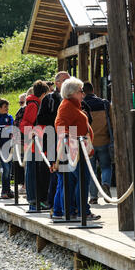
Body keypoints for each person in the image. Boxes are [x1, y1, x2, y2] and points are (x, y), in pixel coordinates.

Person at [54, 77, 100, 220]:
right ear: (72, 92)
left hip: (76, 147)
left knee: (74, 181)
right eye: (80, 91)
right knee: (82, 180)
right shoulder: (67, 105)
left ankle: (74, 210)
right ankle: (83, 211)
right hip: (74, 148)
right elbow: (60, 124)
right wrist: (69, 137)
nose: (83, 94)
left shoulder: (72, 105)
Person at [37, 71, 70, 211]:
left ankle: (67, 205)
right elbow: (41, 118)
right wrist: (58, 120)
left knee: (70, 172)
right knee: (56, 172)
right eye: (65, 81)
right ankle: (53, 204)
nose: (69, 83)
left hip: (71, 138)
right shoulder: (49, 98)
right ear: (57, 83)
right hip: (53, 138)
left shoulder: (74, 98)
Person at [20, 80, 50, 211]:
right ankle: (33, 201)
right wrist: (36, 133)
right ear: (43, 94)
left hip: (34, 143)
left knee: (33, 172)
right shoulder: (34, 105)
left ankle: (35, 200)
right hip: (34, 143)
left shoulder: (33, 103)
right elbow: (25, 124)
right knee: (32, 172)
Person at [82, 81, 113, 204]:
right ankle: (105, 185)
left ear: (83, 93)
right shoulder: (104, 103)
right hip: (104, 140)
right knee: (106, 166)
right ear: (93, 90)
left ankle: (93, 197)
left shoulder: (82, 105)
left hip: (89, 142)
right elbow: (112, 121)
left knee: (91, 169)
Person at [14, 93, 27, 194]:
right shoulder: (21, 111)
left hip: (24, 141)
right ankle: (25, 185)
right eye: (20, 103)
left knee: (26, 164)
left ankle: (25, 185)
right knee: (24, 164)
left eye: (22, 102)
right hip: (21, 141)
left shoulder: (24, 110)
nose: (21, 104)